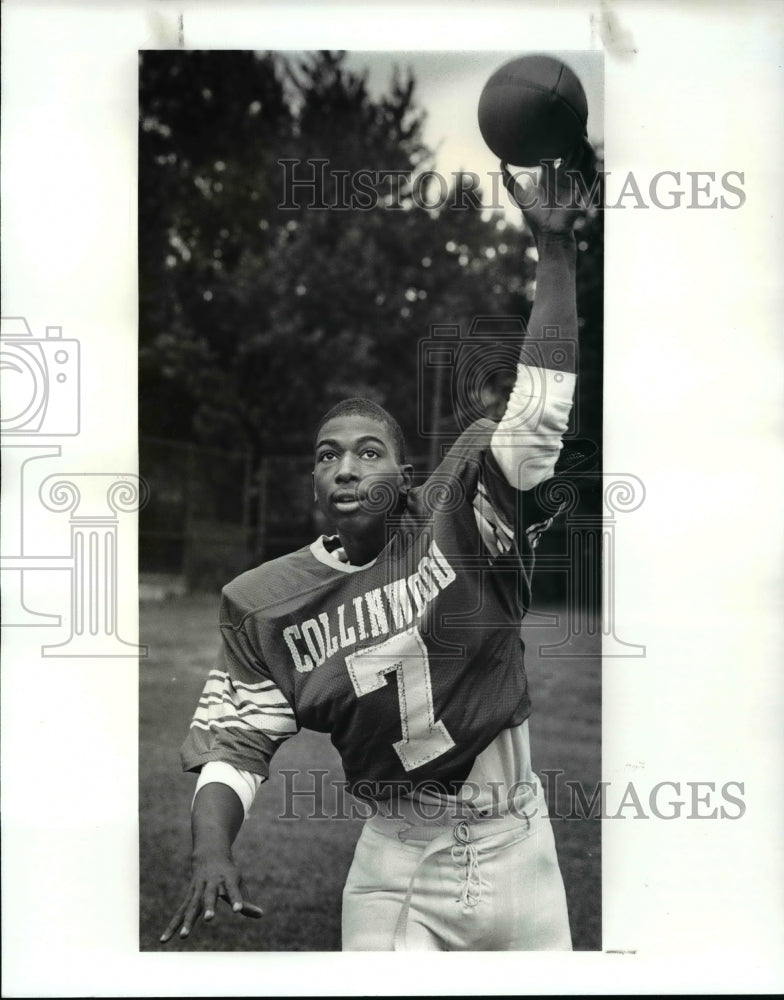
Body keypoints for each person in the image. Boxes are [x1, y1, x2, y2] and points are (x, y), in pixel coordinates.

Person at [161, 145, 594, 951]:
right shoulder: (265, 604)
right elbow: (236, 747)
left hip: (520, 842)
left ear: (407, 474)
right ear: (312, 483)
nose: (345, 466)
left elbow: (536, 419)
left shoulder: (462, 508)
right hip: (397, 864)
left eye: (367, 451)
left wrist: (556, 249)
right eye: (327, 454)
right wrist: (211, 850)